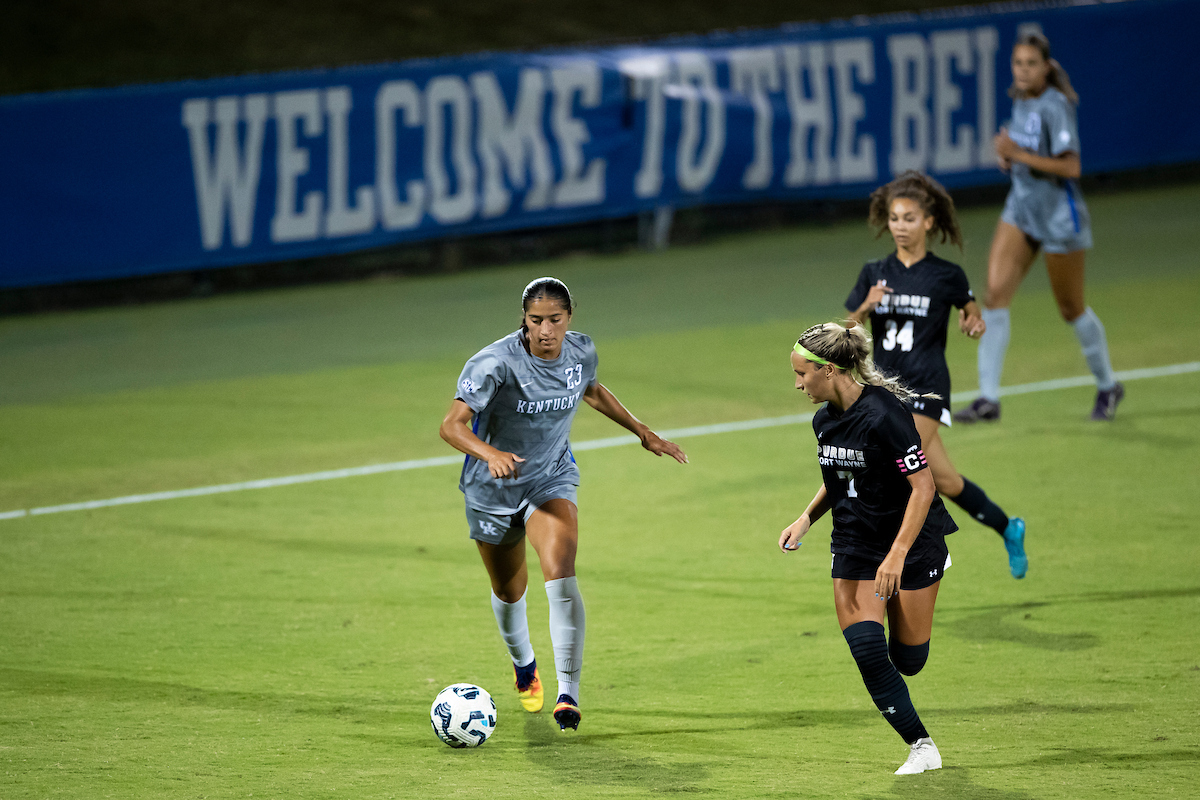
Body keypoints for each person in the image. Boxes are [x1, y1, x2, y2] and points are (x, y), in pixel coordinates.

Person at [439, 277, 687, 732]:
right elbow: (452, 425)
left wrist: (643, 430)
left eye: (555, 320)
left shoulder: (581, 351)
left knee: (561, 569)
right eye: (537, 321)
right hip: (493, 489)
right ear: (524, 320)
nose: (546, 330)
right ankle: (524, 665)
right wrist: (490, 454)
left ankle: (567, 692)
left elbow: (591, 389)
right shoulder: (494, 362)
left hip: (551, 478)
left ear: (569, 318)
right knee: (509, 591)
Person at [778, 321, 956, 774]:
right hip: (855, 541)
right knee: (867, 649)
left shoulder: (885, 416)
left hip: (910, 542)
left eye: (803, 374)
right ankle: (921, 746)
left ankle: (932, 570)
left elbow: (923, 487)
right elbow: (839, 480)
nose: (798, 384)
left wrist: (897, 554)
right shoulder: (823, 421)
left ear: (831, 370)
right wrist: (806, 518)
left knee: (908, 660)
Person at [846, 171, 1027, 579]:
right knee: (944, 479)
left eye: (909, 218)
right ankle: (1008, 527)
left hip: (926, 389)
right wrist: (865, 307)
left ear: (928, 222)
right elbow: (848, 331)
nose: (900, 226)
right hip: (882, 390)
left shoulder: (946, 275)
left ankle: (912, 556)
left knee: (894, 466)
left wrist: (974, 323)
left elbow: (972, 311)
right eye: (895, 218)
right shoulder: (874, 271)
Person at [956, 31, 1123, 423]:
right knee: (994, 295)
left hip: (1059, 218)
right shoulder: (1021, 101)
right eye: (1018, 63)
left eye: (1032, 63)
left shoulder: (1055, 105)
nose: (1024, 70)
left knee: (1071, 308)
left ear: (1046, 68)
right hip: (1021, 210)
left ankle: (1107, 385)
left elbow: (1071, 166)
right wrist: (1010, 160)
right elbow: (1026, 156)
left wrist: (1021, 155)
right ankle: (988, 400)